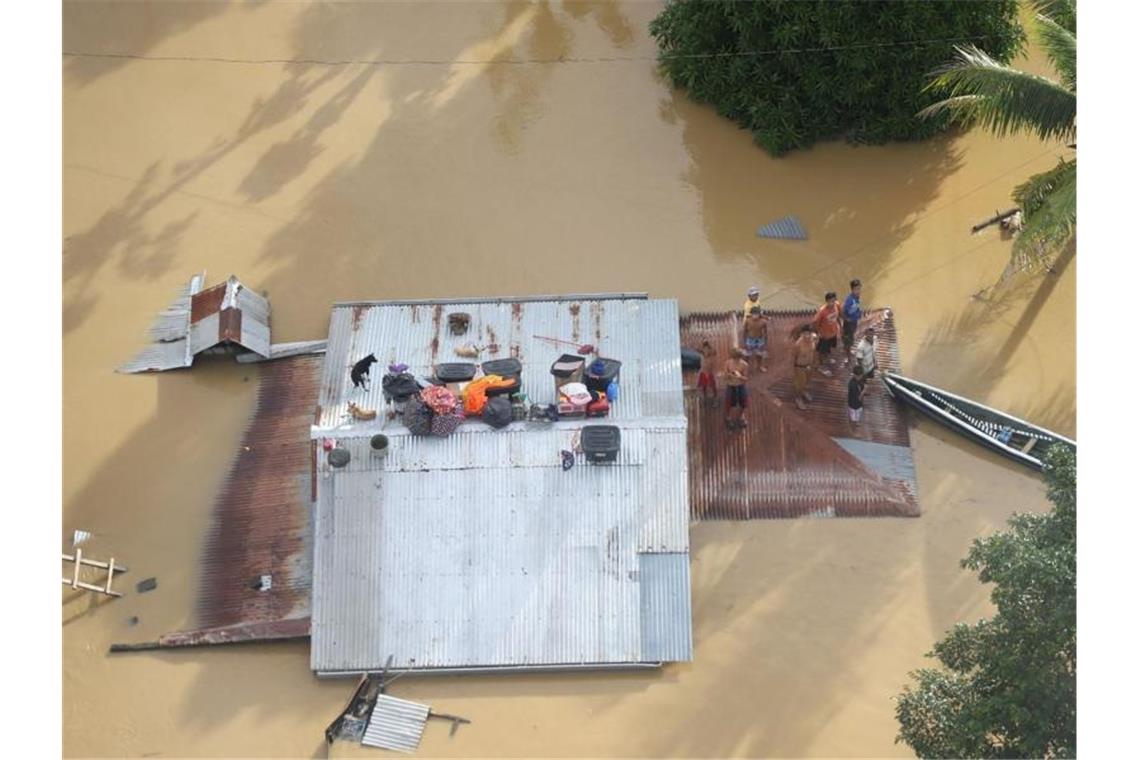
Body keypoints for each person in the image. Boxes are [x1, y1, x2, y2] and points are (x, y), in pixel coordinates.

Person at [813, 291, 843, 375]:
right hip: (824, 335)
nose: (832, 303)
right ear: (826, 301)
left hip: (833, 333)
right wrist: (818, 333)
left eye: (833, 301)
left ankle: (827, 358)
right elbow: (815, 322)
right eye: (830, 301)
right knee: (822, 351)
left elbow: (838, 316)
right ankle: (821, 366)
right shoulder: (822, 311)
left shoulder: (836, 305)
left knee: (829, 348)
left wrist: (840, 327)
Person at [791, 324, 817, 411]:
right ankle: (798, 398)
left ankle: (803, 391)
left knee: (807, 381)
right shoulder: (798, 344)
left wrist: (815, 363)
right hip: (800, 367)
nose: (807, 336)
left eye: (809, 333)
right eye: (805, 334)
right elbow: (793, 357)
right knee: (800, 383)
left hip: (809, 366)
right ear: (802, 334)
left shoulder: (814, 338)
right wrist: (793, 369)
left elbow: (814, 350)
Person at [723, 347, 750, 429]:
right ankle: (727, 416)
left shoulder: (744, 365)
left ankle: (741, 415)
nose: (736, 360)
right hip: (731, 385)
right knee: (729, 402)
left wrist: (739, 376)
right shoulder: (727, 363)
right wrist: (729, 375)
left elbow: (746, 379)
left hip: (740, 385)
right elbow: (725, 376)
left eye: (737, 358)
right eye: (734, 358)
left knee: (744, 402)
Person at [742, 307, 769, 373]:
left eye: (757, 314)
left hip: (759, 339)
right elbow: (744, 331)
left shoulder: (763, 322)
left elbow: (765, 332)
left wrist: (765, 342)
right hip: (750, 339)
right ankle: (745, 367)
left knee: (759, 354)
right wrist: (744, 342)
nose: (755, 316)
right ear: (751, 314)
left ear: (759, 314)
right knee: (747, 355)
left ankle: (759, 366)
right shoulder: (747, 321)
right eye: (754, 314)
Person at [841, 279, 862, 360]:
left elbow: (857, 306)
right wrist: (846, 319)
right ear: (852, 289)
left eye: (859, 288)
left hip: (854, 321)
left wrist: (858, 312)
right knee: (848, 337)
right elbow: (842, 310)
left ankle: (847, 348)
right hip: (849, 322)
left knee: (851, 334)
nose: (859, 291)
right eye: (857, 289)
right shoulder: (849, 300)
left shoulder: (857, 297)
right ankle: (847, 353)